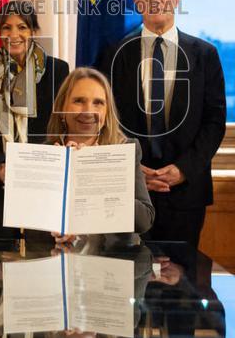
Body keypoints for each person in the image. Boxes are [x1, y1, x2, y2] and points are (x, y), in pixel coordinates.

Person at [100, 0, 226, 249]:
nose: (155, 0)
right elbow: (107, 121)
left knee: (182, 273)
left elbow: (214, 122)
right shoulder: (115, 54)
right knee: (128, 272)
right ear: (137, 3)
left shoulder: (204, 54)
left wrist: (183, 169)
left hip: (186, 191)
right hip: (129, 192)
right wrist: (133, 169)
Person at [0, 0, 69, 238]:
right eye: (6, 28)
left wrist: (35, 166)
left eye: (22, 27)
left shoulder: (58, 70)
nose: (14, 35)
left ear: (33, 31)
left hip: (43, 184)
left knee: (41, 255)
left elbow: (63, 127)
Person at [45, 67, 155, 239]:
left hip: (113, 253)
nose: (88, 111)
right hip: (54, 253)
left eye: (98, 103)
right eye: (79, 101)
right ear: (62, 109)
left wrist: (97, 172)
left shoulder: (125, 149)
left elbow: (143, 221)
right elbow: (32, 227)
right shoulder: (45, 153)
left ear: (107, 112)